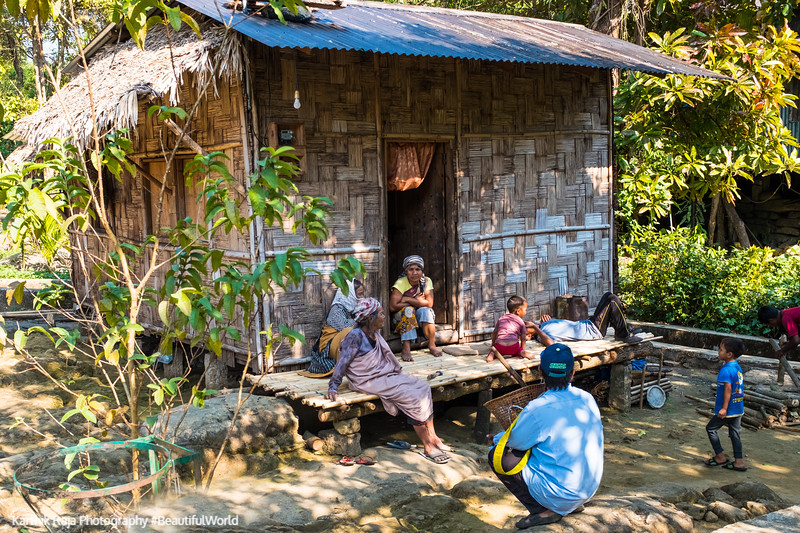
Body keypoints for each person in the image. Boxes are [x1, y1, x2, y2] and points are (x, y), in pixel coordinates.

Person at [488, 343, 603, 528]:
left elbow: (516, 442)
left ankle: (543, 510)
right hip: (587, 489)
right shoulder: (586, 398)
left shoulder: (537, 407)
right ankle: (570, 505)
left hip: (562, 492)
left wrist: (497, 438)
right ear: (572, 372)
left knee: (498, 457)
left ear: (540, 372)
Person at [326, 298, 451, 464]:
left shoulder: (374, 334)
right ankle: (427, 446)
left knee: (423, 387)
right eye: (381, 313)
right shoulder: (355, 336)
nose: (384, 316)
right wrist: (333, 387)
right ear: (370, 318)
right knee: (413, 397)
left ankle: (433, 437)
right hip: (366, 379)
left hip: (383, 374)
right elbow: (342, 362)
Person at [300, 279, 364, 378]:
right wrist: (360, 319)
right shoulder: (337, 309)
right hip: (327, 348)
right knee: (351, 331)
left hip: (338, 345)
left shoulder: (352, 310)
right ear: (350, 294)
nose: (362, 297)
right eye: (360, 294)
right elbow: (346, 328)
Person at [703, 337, 747, 472]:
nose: (718, 351)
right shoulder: (736, 367)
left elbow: (728, 389)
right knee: (735, 434)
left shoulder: (725, 370)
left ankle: (720, 456)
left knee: (711, 428)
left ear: (729, 354)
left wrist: (724, 408)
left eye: (721, 350)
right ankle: (739, 462)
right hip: (738, 407)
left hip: (728, 410)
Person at [532, 292, 642, 344]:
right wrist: (536, 329)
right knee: (612, 300)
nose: (532, 324)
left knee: (608, 295)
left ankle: (623, 330)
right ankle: (623, 335)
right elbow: (550, 343)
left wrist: (540, 322)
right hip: (593, 330)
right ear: (528, 335)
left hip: (588, 323)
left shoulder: (542, 325)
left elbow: (533, 323)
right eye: (529, 327)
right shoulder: (542, 336)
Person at [389, 255, 442, 361]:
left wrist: (408, 299)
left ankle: (432, 345)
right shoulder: (401, 283)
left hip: (418, 316)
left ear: (422, 270)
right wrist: (417, 302)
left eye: (418, 269)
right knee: (409, 310)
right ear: (406, 271)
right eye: (411, 269)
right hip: (400, 319)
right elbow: (393, 306)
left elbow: (429, 303)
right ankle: (406, 348)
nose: (414, 273)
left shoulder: (426, 281)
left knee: (426, 311)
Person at [486, 295, 550, 362]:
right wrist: (522, 349)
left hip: (500, 347)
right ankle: (523, 353)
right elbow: (523, 338)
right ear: (518, 311)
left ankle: (492, 354)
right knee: (519, 351)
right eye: (525, 310)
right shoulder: (520, 322)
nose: (526, 312)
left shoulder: (501, 319)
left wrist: (493, 345)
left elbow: (494, 333)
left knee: (494, 351)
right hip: (513, 348)